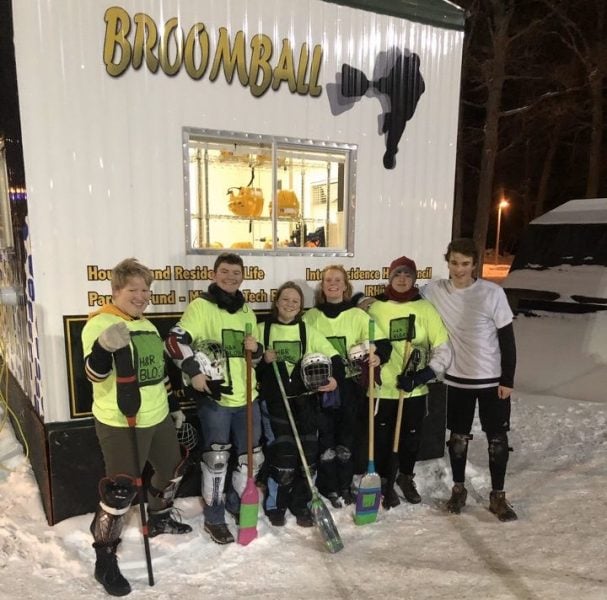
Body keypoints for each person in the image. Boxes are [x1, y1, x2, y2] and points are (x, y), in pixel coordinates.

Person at [82, 258, 192, 597]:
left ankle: (158, 515)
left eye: (145, 290)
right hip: (120, 421)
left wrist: (173, 409)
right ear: (116, 290)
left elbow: (157, 373)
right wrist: (103, 348)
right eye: (133, 290)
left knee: (173, 468)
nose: (141, 296)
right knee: (120, 492)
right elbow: (93, 374)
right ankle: (105, 558)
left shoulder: (146, 325)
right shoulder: (99, 324)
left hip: (156, 416)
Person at [165, 253, 262, 544]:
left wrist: (255, 350)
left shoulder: (247, 311)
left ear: (243, 276)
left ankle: (237, 503)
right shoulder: (201, 306)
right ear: (214, 274)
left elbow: (254, 358)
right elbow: (173, 341)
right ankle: (215, 518)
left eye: (235, 272)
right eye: (224, 271)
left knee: (251, 460)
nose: (230, 277)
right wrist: (194, 373)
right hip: (216, 400)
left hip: (248, 397)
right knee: (217, 460)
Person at [421, 238, 518, 521]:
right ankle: (459, 489)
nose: (459, 269)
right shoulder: (435, 291)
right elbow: (402, 296)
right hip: (457, 379)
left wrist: (508, 378)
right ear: (447, 262)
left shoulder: (492, 293)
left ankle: (498, 496)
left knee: (497, 440)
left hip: (491, 380)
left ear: (475, 264)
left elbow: (507, 339)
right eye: (454, 263)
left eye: (465, 263)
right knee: (458, 439)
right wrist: (363, 300)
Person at [362, 256, 452, 508]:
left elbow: (443, 348)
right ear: (390, 277)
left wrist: (424, 375)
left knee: (410, 438)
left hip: (412, 389)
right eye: (397, 274)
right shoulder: (375, 308)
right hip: (381, 389)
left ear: (414, 279)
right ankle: (385, 482)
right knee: (381, 440)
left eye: (407, 275)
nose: (402, 279)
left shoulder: (425, 309)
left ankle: (405, 477)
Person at [256, 281, 345, 526]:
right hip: (274, 403)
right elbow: (249, 363)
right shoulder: (261, 329)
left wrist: (335, 380)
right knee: (282, 456)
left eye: (295, 301)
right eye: (285, 299)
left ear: (301, 306)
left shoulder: (307, 331)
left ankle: (302, 503)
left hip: (305, 403)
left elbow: (334, 358)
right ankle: (276, 504)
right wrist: (263, 359)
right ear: (276, 302)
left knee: (307, 455)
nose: (290, 304)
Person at [303, 265, 390, 507]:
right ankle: (328, 486)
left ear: (345, 285)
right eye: (328, 280)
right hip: (321, 389)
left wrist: (378, 356)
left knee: (347, 440)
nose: (332, 283)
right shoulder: (310, 317)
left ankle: (345, 483)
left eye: (337, 280)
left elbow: (382, 344)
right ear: (322, 285)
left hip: (351, 390)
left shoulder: (358, 316)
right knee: (326, 441)